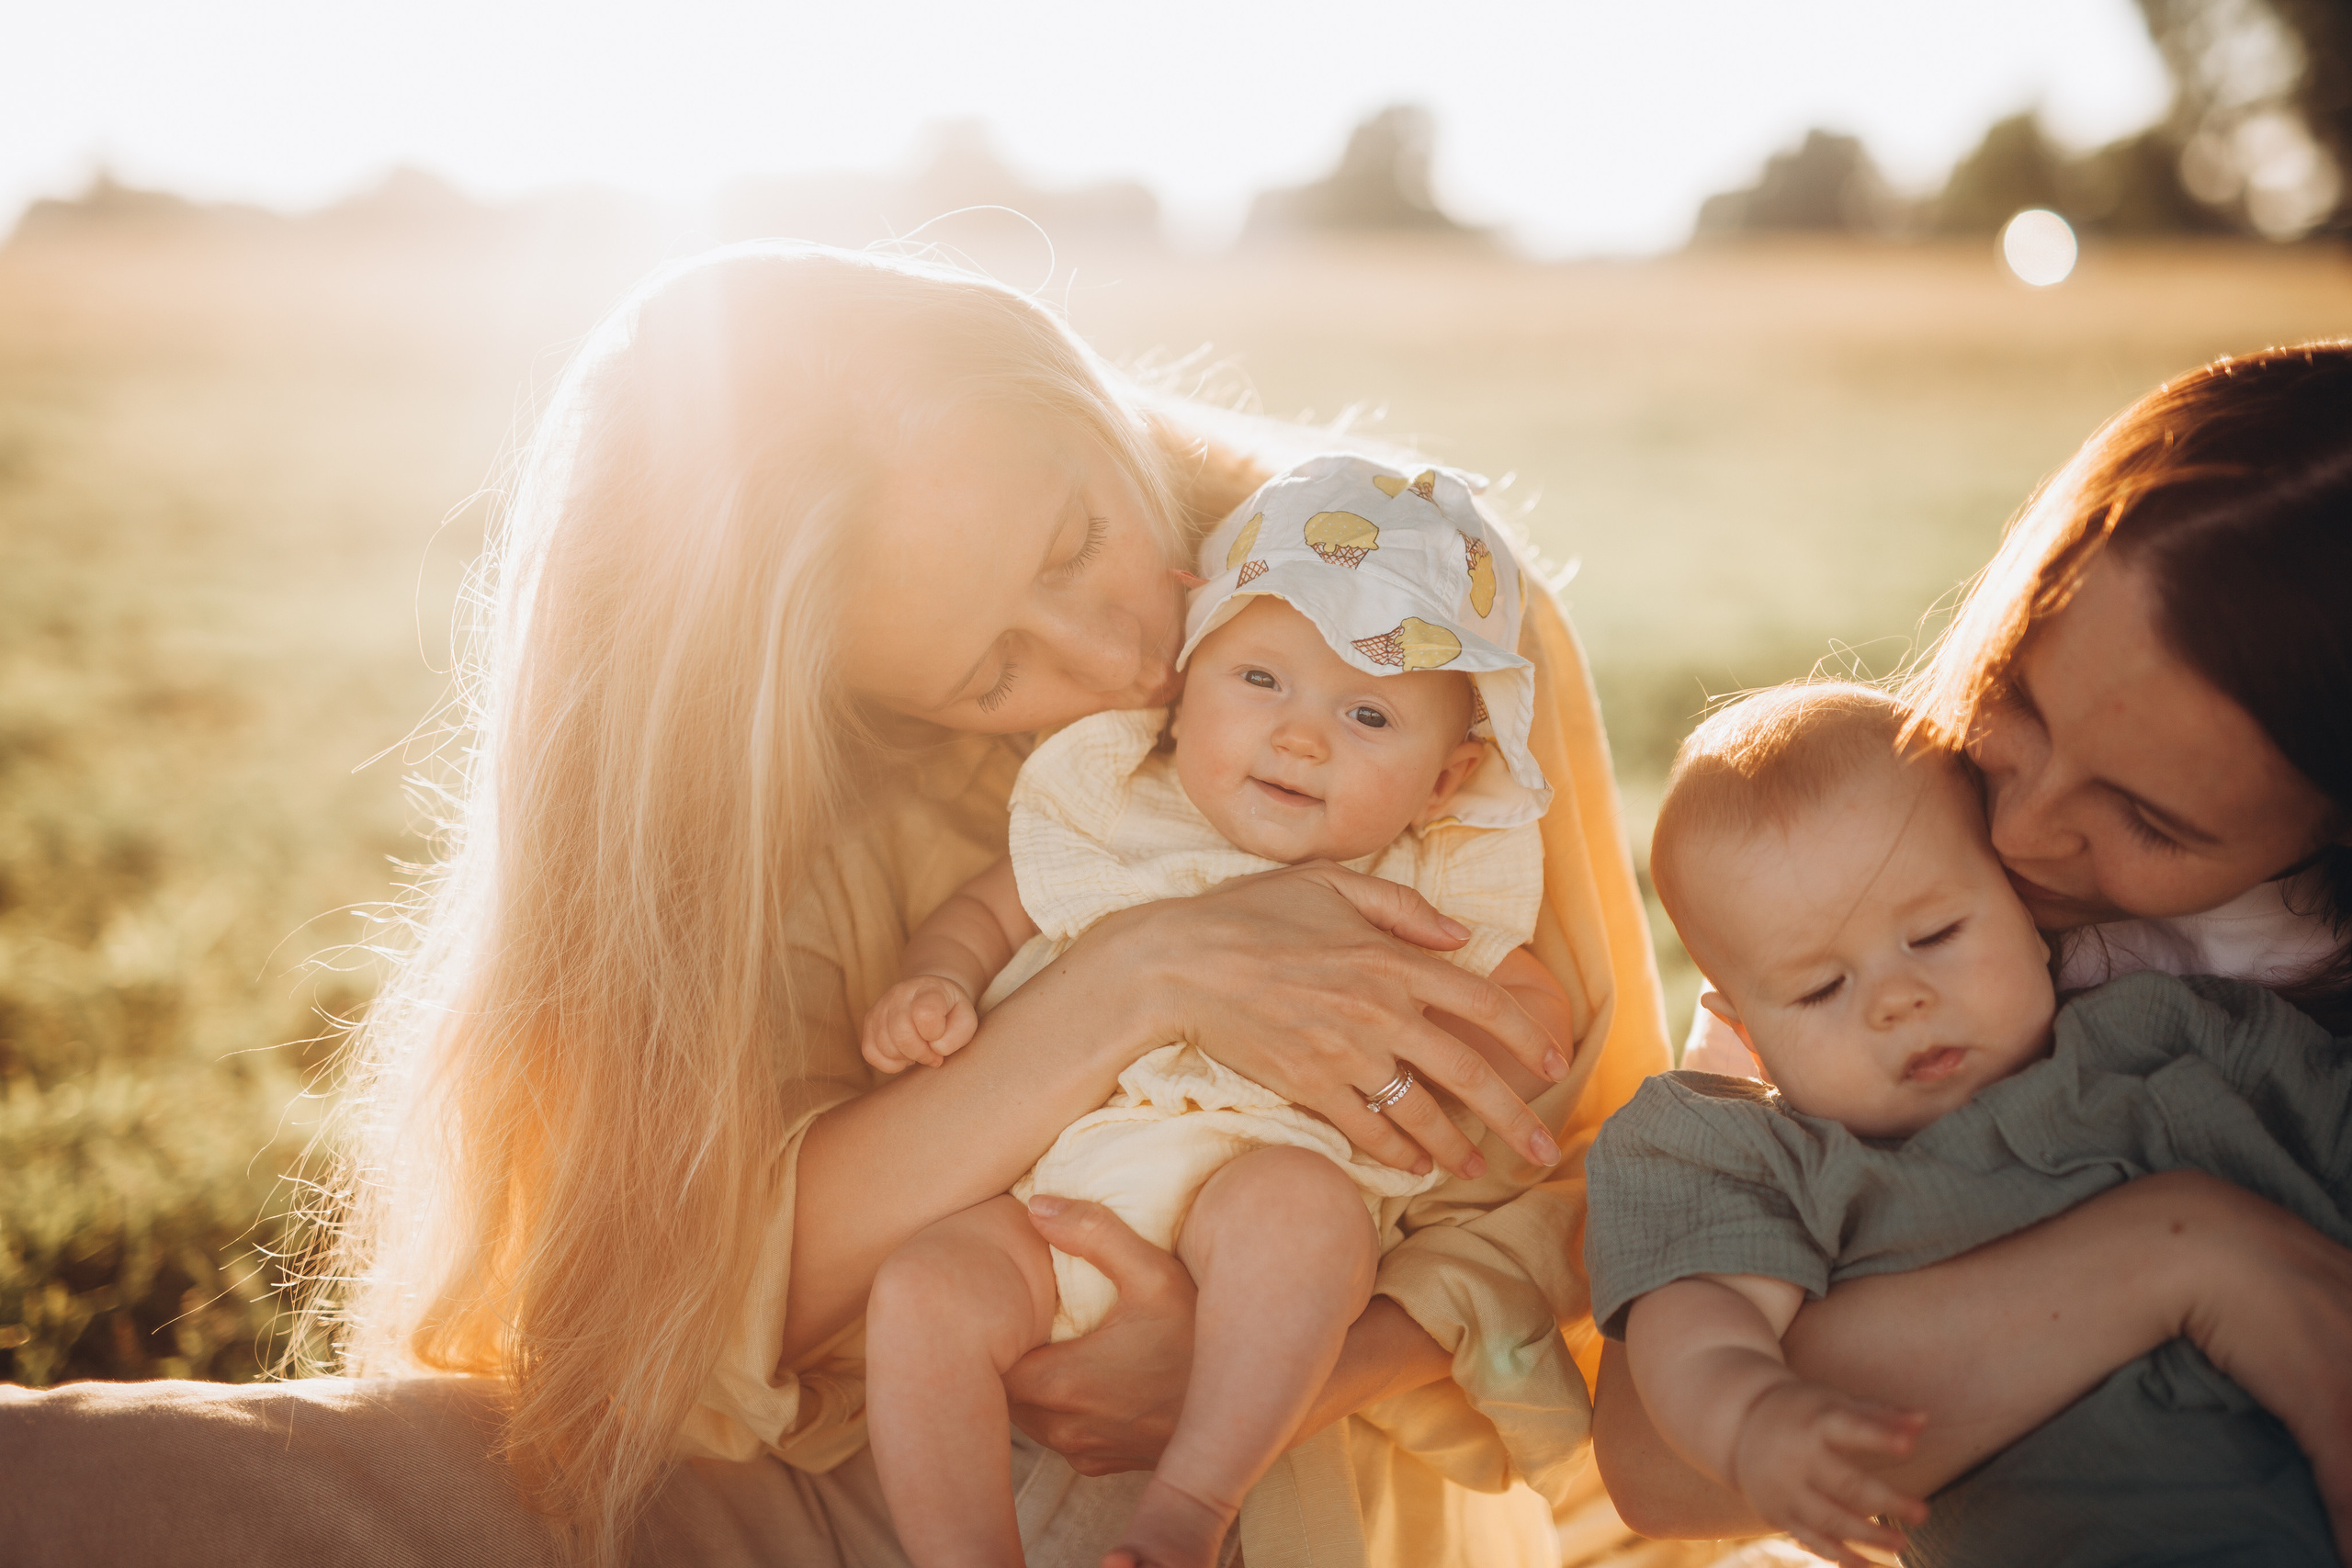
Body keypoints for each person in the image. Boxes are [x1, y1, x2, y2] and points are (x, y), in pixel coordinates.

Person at [0, 243, 1675, 1568]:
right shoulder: (811, 766)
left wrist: (1287, 1369)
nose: (1118, 658)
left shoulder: (1415, 597)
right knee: (82, 1488)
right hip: (825, 1481)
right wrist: (1131, 980)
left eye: (1080, 534)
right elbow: (669, 1303)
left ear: (1061, 363)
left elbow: (1592, 1179)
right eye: (990, 675)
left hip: (1266, 1501)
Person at [1599, 345, 2352, 1536]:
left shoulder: (2255, 1040)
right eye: (2016, 701)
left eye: (2147, 818)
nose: (2024, 825)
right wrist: (2192, 1259)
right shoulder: (1869, 866)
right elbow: (1657, 1460)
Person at [859, 455, 1574, 1568]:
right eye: (1260, 681)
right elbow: (986, 910)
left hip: (1250, 1189)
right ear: (1186, 683)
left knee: (1302, 1221)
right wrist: (935, 984)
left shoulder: (1421, 884)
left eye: (1370, 712)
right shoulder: (1114, 810)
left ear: (1447, 779)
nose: (1301, 736)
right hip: (1048, 1201)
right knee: (921, 1291)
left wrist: (1510, 1026)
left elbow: (1524, 1006)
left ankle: (1188, 1507)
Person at [1595, 682, 2347, 1566]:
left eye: (1938, 933)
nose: (1896, 998)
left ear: (2030, 918)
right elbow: (1702, 1314)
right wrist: (1752, 1414)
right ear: (1751, 1039)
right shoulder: (1774, 1160)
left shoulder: (2182, 1036)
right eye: (1821, 988)